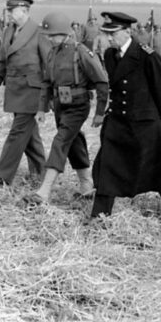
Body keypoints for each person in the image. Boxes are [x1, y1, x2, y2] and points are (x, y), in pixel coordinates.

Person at [89, 12, 161, 223]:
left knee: (158, 166)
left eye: (113, 33)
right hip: (117, 122)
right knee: (108, 166)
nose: (109, 38)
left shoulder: (146, 55)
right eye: (107, 33)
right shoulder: (110, 56)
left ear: (127, 31)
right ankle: (100, 215)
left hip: (144, 123)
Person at [23, 11, 108, 206]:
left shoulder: (82, 53)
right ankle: (86, 186)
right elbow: (46, 83)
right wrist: (42, 109)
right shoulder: (53, 53)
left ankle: (44, 192)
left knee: (60, 141)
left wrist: (100, 113)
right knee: (73, 142)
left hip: (78, 106)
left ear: (65, 33)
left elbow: (102, 82)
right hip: (60, 106)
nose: (50, 39)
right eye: (48, 36)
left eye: (53, 35)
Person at [0, 0, 47, 187]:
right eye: (8, 10)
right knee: (29, 135)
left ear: (25, 10)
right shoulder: (8, 31)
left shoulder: (39, 32)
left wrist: (48, 95)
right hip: (14, 91)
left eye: (12, 10)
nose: (8, 13)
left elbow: (49, 64)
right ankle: (41, 173)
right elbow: (2, 61)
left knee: (18, 133)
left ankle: (2, 175)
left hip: (32, 92)